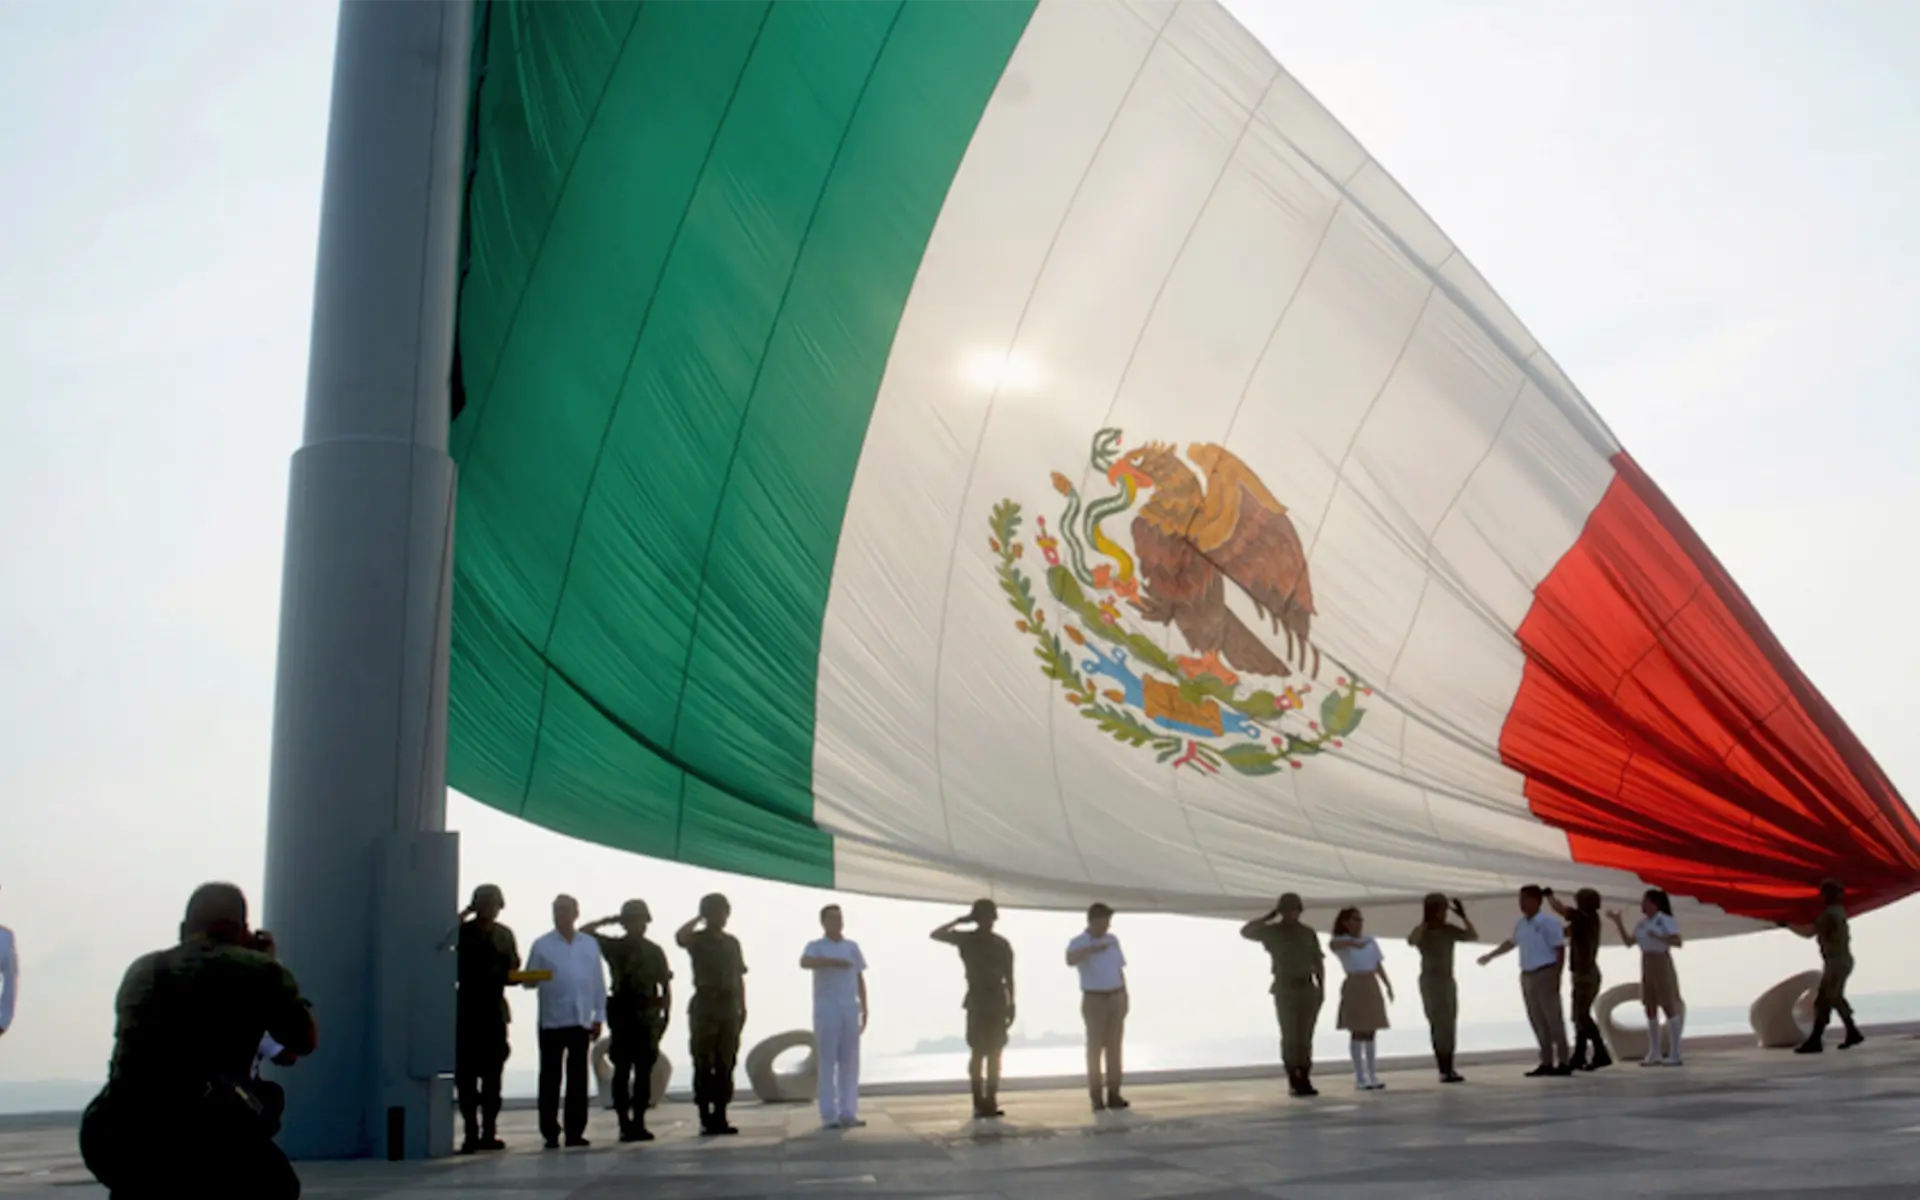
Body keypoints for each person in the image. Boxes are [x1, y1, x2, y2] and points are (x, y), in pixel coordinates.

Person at [78, 882, 316, 1200]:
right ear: (239, 930)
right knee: (278, 1184)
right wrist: (271, 963)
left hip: (115, 1136)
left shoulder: (142, 969)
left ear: (183, 929)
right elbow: (303, 1041)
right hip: (205, 1140)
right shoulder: (258, 969)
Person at [583, 899, 672, 1142]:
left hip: (647, 1018)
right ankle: (624, 1123)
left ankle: (639, 1122)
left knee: (644, 1073)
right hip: (623, 1016)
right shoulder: (615, 947)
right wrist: (610, 920)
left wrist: (664, 1019)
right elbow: (585, 931)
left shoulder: (654, 951)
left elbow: (665, 987)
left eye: (641, 920)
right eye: (632, 920)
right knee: (621, 1072)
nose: (637, 925)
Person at [524, 894, 605, 1149]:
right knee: (550, 1078)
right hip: (552, 1020)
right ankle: (550, 1131)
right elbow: (528, 980)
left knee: (578, 1079)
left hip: (580, 1019)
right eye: (557, 910)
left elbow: (597, 982)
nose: (561, 915)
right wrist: (537, 977)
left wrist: (599, 1016)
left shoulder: (589, 945)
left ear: (576, 913)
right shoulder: (542, 945)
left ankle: (575, 1131)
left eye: (565, 910)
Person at [930, 899, 1016, 1119]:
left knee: (995, 1054)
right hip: (977, 1001)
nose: (988, 922)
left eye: (990, 918)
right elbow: (936, 934)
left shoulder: (1001, 944)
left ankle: (991, 1100)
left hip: (996, 1001)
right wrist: (959, 921)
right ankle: (978, 1102)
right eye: (984, 918)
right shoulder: (967, 939)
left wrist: (1011, 1004)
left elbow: (1010, 977)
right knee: (977, 1053)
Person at [452, 884, 519, 1153]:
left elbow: (514, 966)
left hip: (493, 1010)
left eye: (493, 904)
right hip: (468, 1011)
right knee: (466, 1078)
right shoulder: (462, 931)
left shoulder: (504, 935)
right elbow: (439, 937)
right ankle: (471, 1133)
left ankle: (489, 1131)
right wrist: (464, 913)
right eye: (484, 904)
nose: (490, 909)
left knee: (493, 1077)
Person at [1478, 884, 1571, 1077]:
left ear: (1536, 901)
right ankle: (1546, 1061)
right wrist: (1491, 955)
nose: (1521, 903)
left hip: (1546, 971)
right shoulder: (1521, 924)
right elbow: (1512, 942)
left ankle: (1564, 1061)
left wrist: (1557, 974)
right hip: (1527, 974)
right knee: (1537, 1019)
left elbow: (1559, 948)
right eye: (1520, 899)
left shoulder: (1548, 922)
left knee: (1553, 1018)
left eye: (1524, 899)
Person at [677, 893, 748, 1136]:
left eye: (724, 912)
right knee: (703, 1062)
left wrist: (742, 1006)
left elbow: (739, 976)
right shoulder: (698, 940)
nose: (721, 917)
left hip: (728, 1007)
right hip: (705, 1007)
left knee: (726, 1062)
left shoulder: (732, 943)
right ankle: (705, 1115)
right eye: (715, 912)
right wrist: (699, 917)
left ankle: (721, 1114)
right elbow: (680, 936)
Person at [1241, 893, 1325, 1098]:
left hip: (1307, 987)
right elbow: (1246, 931)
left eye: (1294, 910)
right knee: (1289, 1036)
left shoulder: (1307, 933)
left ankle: (1305, 1076)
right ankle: (1293, 1079)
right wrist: (1268, 917)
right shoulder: (1272, 932)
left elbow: (1318, 961)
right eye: (1287, 910)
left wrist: (1322, 989)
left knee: (1305, 1036)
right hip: (1285, 988)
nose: (1291, 914)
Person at [800, 904, 869, 1130]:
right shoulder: (816, 947)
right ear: (823, 922)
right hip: (827, 1009)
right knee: (827, 1060)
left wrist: (865, 1007)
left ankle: (848, 1111)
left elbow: (859, 977)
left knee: (850, 1062)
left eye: (840, 918)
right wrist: (832, 962)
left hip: (850, 1008)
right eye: (832, 918)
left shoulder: (852, 947)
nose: (837, 922)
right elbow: (804, 962)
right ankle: (828, 1114)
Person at [1608, 888, 1684, 1065]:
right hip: (1646, 961)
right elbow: (1629, 942)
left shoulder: (1664, 920)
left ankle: (1675, 1052)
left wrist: (1659, 937)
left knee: (1668, 1004)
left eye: (1645, 901)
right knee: (1650, 1006)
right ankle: (1654, 1052)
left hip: (1661, 961)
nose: (1642, 904)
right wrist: (1618, 922)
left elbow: (1677, 941)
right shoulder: (1642, 923)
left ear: (1654, 904)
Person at [1065, 902, 1128, 1112]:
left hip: (1115, 995)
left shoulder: (1112, 940)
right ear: (1093, 921)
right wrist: (1092, 950)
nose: (1107, 926)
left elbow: (1119, 968)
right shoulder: (1078, 942)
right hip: (1095, 998)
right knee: (1095, 1048)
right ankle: (1096, 1096)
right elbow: (1070, 960)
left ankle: (1114, 1093)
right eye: (1103, 922)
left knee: (1115, 1047)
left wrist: (1124, 995)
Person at [1408, 894, 1475, 1083]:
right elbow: (1412, 940)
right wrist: (1425, 922)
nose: (1445, 913)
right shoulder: (1424, 931)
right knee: (1437, 1024)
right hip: (1430, 981)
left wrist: (1464, 917)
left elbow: (1472, 936)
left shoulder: (1448, 930)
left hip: (1447, 980)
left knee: (1449, 1024)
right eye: (1441, 909)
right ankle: (1443, 1069)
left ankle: (1450, 1067)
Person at [1792, 879, 1864, 1053]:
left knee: (1824, 1000)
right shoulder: (1839, 911)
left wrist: (1787, 924)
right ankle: (1852, 1032)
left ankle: (1815, 1040)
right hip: (1842, 961)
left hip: (1835, 962)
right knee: (1836, 997)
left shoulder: (1829, 915)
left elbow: (1808, 932)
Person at [1328, 907, 1393, 1091]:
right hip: (1354, 983)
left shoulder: (1370, 941)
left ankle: (1372, 1075)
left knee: (1371, 1031)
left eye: (1360, 919)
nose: (1360, 923)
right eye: (1355, 919)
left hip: (1370, 983)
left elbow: (1377, 964)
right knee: (1357, 1031)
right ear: (1346, 922)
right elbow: (1334, 945)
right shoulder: (1341, 941)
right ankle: (1360, 1076)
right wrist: (1353, 942)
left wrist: (1387, 985)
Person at [1547, 887, 1612, 1071]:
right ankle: (1579, 1054)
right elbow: (1568, 930)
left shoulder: (1581, 918)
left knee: (1580, 1016)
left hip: (1584, 974)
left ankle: (1600, 1052)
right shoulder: (1591, 919)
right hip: (1588, 973)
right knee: (1580, 1016)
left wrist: (1549, 897)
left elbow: (1560, 910)